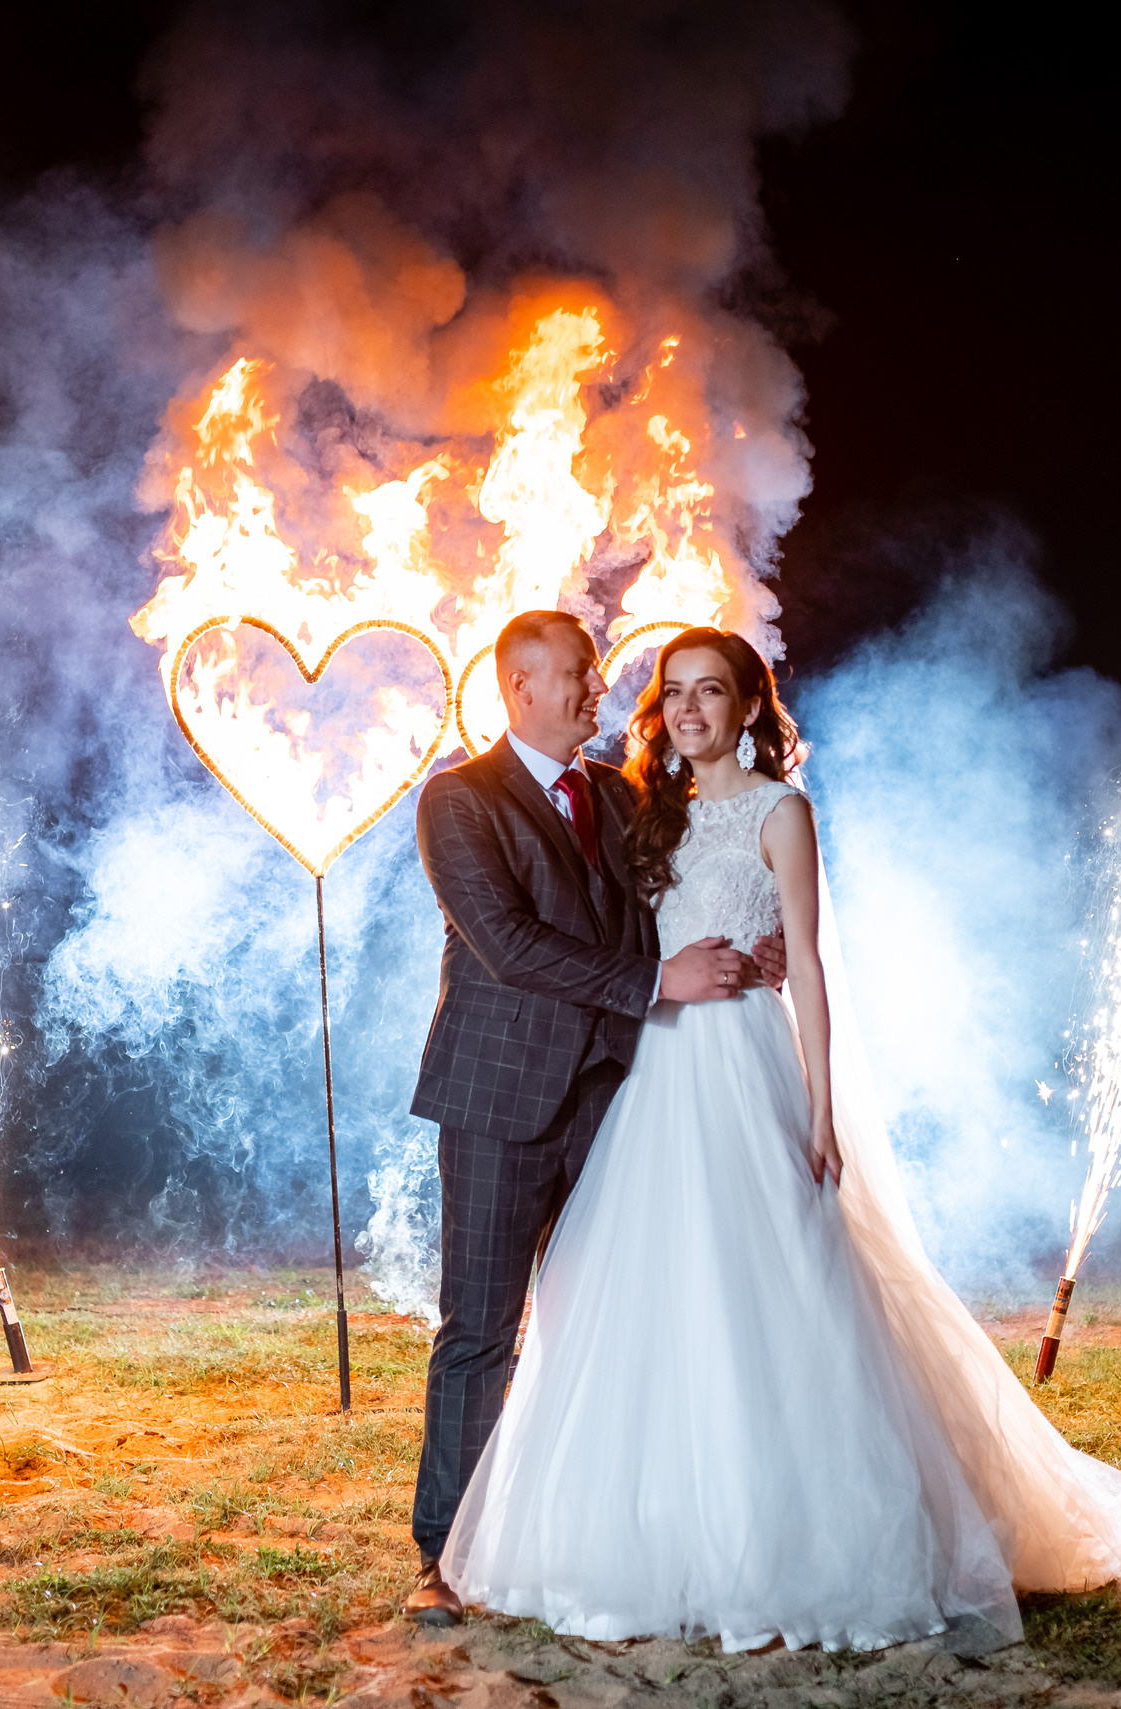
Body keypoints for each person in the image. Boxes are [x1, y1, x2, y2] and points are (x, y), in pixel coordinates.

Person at [437, 626, 1121, 1651]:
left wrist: (815, 1095)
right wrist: (664, 976)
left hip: (704, 1070)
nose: (671, 706)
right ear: (524, 686)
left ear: (750, 704)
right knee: (564, 1309)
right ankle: (493, 1545)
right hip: (608, 1075)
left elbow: (796, 956)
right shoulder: (550, 800)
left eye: (706, 691)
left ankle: (766, 1535)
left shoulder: (718, 806)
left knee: (752, 1288)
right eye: (666, 691)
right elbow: (542, 937)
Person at [403, 610, 787, 1627]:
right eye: (577, 676)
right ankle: (444, 1555)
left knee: (597, 1327)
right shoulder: (458, 800)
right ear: (521, 686)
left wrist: (754, 944)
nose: (597, 693)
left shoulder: (618, 797)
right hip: (498, 1101)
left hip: (615, 1093)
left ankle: (575, 1536)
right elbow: (508, 942)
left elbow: (669, 896)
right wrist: (662, 978)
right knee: (480, 1332)